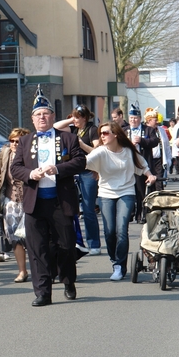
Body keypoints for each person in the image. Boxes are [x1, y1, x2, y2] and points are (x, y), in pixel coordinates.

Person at [10, 86, 85, 307]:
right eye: (38, 114)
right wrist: (30, 173)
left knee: (66, 246)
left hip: (60, 202)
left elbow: (81, 162)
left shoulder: (68, 138)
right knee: (37, 249)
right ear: (32, 119)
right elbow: (15, 169)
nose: (42, 117)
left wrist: (59, 168)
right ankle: (43, 292)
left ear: (53, 117)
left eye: (46, 113)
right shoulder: (25, 142)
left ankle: (68, 280)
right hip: (35, 203)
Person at [86, 122, 156, 281]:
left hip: (126, 192)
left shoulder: (129, 151)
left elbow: (143, 166)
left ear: (115, 134)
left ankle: (120, 265)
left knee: (121, 229)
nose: (102, 136)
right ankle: (114, 260)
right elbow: (85, 161)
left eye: (105, 133)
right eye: (101, 133)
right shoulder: (101, 151)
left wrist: (150, 175)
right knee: (110, 232)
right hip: (105, 194)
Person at [54, 104, 101, 255]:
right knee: (72, 208)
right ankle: (77, 242)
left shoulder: (93, 130)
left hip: (88, 171)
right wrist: (71, 121)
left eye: (78, 117)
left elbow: (96, 151)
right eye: (74, 116)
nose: (75, 120)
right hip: (73, 172)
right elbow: (56, 126)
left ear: (85, 118)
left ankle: (94, 244)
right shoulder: (73, 129)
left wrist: (81, 144)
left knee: (88, 209)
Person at [0, 128, 31, 282]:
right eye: (12, 141)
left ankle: (42, 268)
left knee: (33, 237)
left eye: (18, 141)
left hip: (29, 199)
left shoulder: (30, 156)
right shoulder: (5, 154)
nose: (15, 144)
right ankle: (22, 271)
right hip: (11, 200)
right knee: (15, 237)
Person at [126, 103, 159, 223]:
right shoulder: (125, 130)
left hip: (142, 164)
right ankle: (130, 213)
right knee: (129, 190)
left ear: (140, 119)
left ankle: (140, 215)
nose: (133, 120)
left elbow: (155, 141)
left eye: (135, 118)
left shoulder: (148, 129)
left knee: (141, 191)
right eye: (131, 118)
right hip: (127, 165)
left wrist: (142, 141)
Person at [144, 108, 171, 191]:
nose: (157, 122)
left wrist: (168, 158)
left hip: (159, 160)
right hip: (147, 159)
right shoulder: (144, 130)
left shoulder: (161, 130)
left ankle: (159, 198)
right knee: (149, 181)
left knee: (159, 181)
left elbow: (166, 145)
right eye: (155, 120)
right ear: (149, 121)